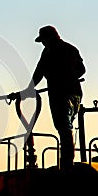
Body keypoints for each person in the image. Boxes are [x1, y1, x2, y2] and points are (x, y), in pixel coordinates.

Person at [22, 25, 86, 171]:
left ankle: (67, 164)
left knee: (64, 127)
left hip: (60, 94)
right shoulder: (71, 48)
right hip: (75, 94)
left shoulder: (49, 51)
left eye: (43, 40)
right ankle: (67, 161)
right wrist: (71, 78)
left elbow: (39, 72)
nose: (43, 43)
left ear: (49, 38)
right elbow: (82, 70)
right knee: (67, 126)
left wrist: (28, 90)